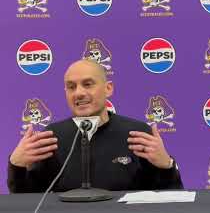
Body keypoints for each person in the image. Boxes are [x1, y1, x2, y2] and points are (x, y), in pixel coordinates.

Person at [8, 59, 182, 193]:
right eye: (71, 87)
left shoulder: (137, 133)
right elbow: (29, 204)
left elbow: (170, 200)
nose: (79, 93)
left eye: (88, 84)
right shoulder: (51, 137)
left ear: (108, 88)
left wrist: (166, 166)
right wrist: (16, 166)